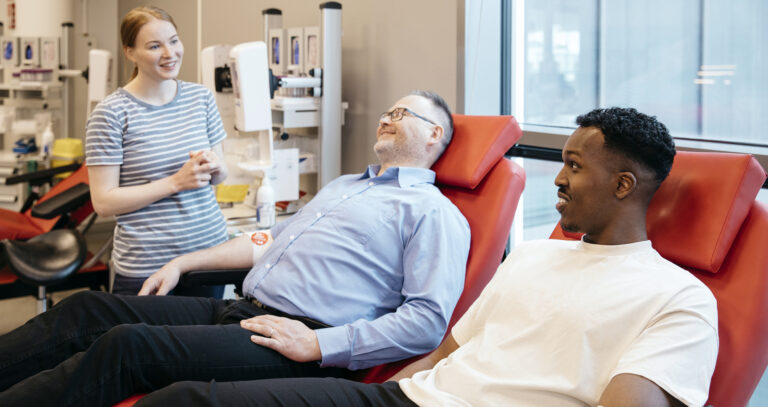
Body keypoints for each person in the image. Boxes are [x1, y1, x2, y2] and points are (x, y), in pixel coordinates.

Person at [132, 107, 719, 407]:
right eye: (561, 163)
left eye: (575, 166)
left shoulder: (678, 297)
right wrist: (381, 391)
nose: (559, 181)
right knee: (185, 399)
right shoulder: (535, 257)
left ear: (623, 185)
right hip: (401, 398)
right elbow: (446, 352)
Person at [0, 91, 471, 407]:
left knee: (128, 346)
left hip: (295, 337)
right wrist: (183, 262)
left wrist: (317, 344)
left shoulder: (435, 214)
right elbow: (269, 242)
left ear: (435, 135)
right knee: (88, 310)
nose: (388, 117)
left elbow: (427, 322)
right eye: (387, 111)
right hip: (243, 308)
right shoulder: (345, 186)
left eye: (403, 114)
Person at [85, 6, 229, 297]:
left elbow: (221, 175)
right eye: (154, 46)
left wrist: (214, 166)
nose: (170, 53)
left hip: (207, 257)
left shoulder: (200, 98)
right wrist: (176, 182)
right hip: (146, 266)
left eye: (174, 40)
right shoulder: (112, 114)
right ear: (130, 52)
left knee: (203, 343)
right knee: (143, 343)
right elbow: (103, 202)